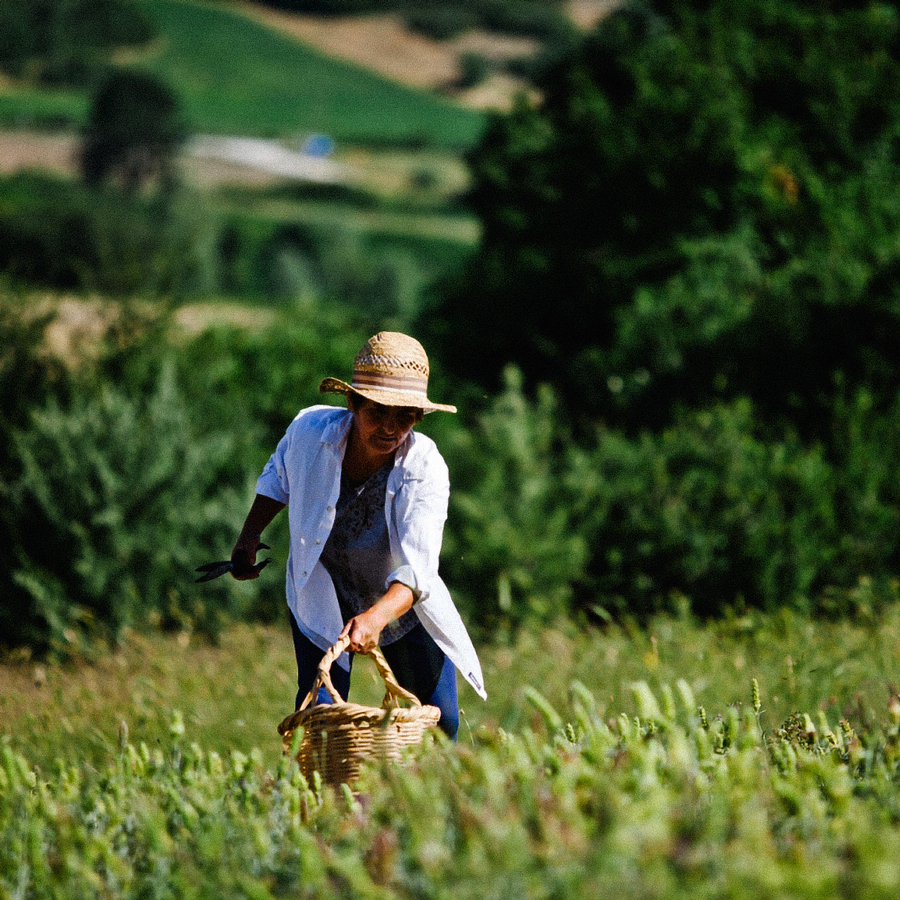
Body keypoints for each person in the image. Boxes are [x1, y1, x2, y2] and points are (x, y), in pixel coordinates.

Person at [229, 331, 486, 739]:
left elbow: (418, 568)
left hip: (398, 603)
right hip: (323, 587)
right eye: (378, 412)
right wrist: (248, 536)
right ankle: (328, 799)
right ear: (353, 404)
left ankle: (426, 800)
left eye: (403, 416)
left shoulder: (425, 467)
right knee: (322, 716)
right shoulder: (310, 433)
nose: (389, 427)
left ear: (418, 418)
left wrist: (375, 618)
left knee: (441, 722)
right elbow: (278, 477)